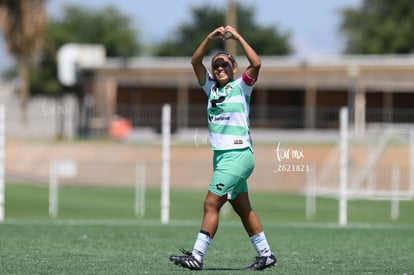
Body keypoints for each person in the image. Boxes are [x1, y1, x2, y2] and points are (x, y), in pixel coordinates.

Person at [169, 25, 277, 271]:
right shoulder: (210, 88)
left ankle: (197, 255)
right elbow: (195, 61)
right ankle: (266, 254)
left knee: (210, 204)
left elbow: (257, 63)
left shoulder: (242, 86)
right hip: (222, 158)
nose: (219, 68)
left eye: (225, 64)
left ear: (234, 68)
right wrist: (208, 38)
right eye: (216, 65)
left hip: (238, 156)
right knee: (243, 209)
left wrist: (237, 37)